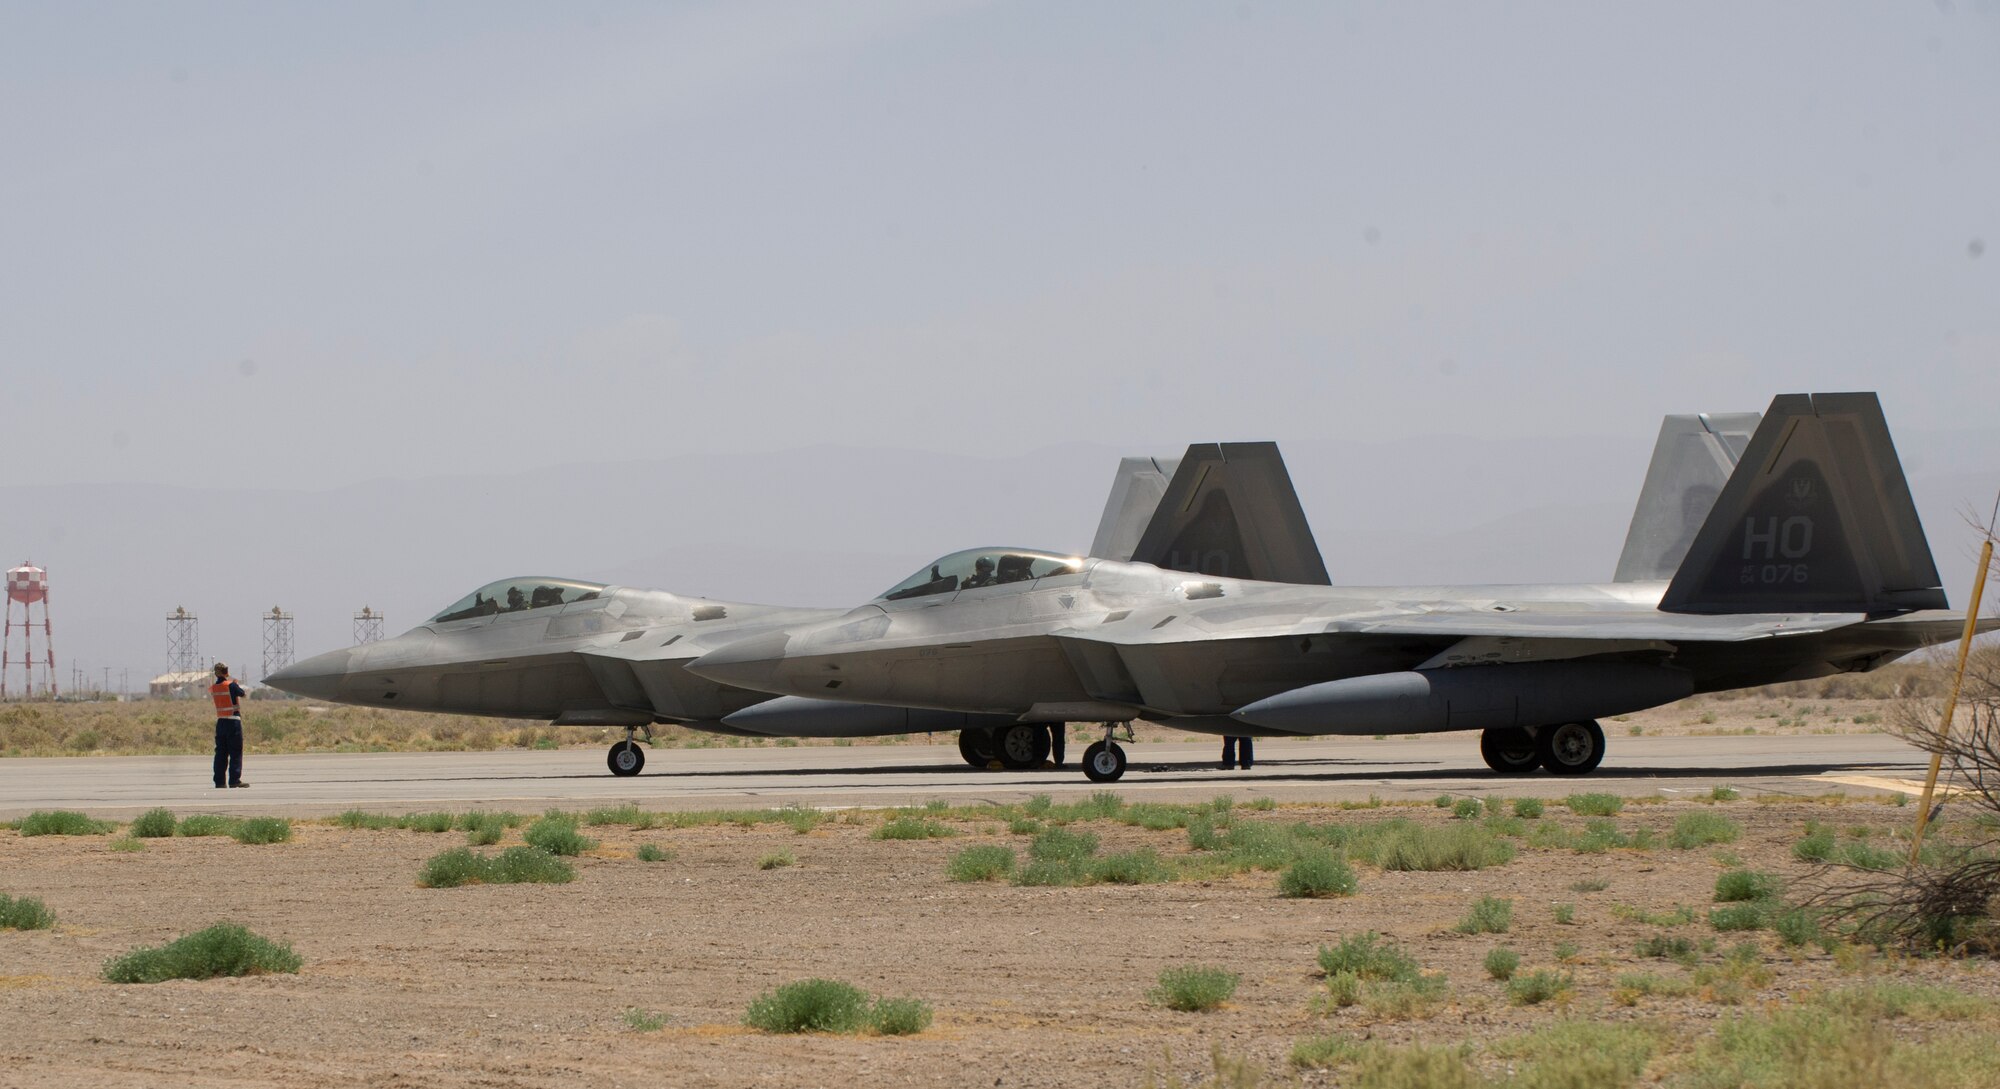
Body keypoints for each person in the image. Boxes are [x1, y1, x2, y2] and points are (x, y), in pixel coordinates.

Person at [210, 662, 248, 788]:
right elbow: (243, 694)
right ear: (226, 671)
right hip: (233, 722)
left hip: (221, 722)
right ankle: (234, 780)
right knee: (235, 752)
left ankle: (219, 782)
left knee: (220, 753)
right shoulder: (231, 685)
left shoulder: (214, 687)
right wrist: (235, 684)